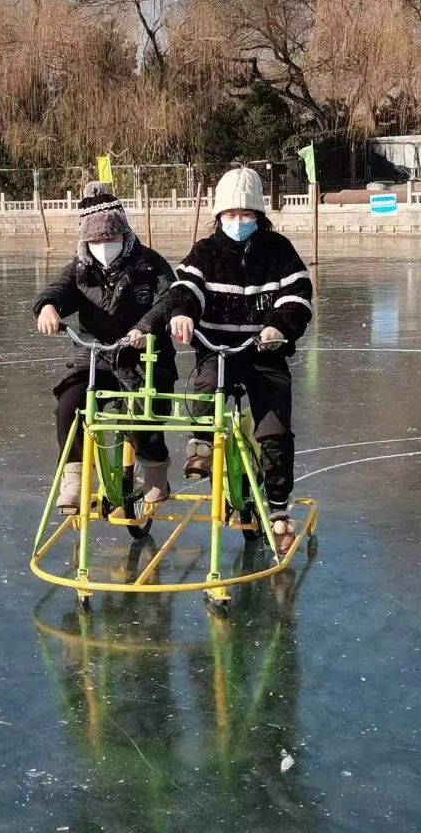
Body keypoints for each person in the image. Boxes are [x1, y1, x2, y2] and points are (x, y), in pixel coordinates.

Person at [129, 166, 312, 554]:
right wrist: (182, 312)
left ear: (259, 216)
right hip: (216, 349)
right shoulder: (205, 251)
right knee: (204, 390)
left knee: (275, 433)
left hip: (265, 353)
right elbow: (186, 287)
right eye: (230, 215)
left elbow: (298, 294)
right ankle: (200, 446)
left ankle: (278, 509)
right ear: (219, 217)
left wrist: (279, 328)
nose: (238, 222)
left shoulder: (279, 250)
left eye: (246, 214)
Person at [34, 183, 177, 515]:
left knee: (145, 412)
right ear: (85, 241)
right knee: (69, 404)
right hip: (94, 356)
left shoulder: (149, 265)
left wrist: (145, 328)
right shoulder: (80, 268)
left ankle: (155, 469)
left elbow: (170, 298)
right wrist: (47, 306)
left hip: (143, 356)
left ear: (124, 234)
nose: (103, 246)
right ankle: (74, 477)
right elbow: (58, 289)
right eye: (96, 240)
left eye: (110, 239)